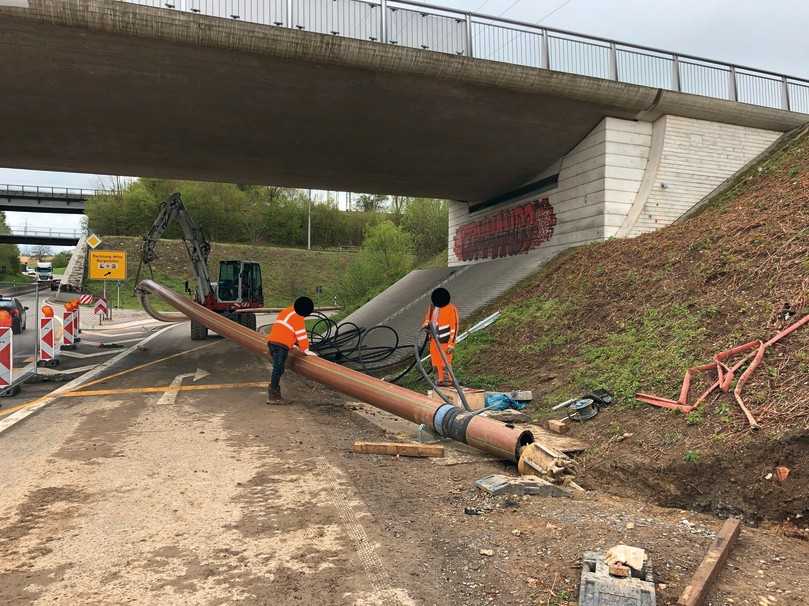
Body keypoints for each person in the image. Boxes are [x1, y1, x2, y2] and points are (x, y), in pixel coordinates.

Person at [266, 296, 317, 403]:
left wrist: (292, 344)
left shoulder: (286, 311)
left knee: (279, 369)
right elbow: (301, 334)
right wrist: (305, 350)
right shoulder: (297, 316)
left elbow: (286, 329)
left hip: (273, 342)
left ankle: (274, 394)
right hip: (280, 345)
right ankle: (273, 396)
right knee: (278, 369)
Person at [422, 288, 459, 386]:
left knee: (444, 363)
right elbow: (428, 318)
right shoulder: (432, 307)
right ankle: (440, 381)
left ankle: (448, 381)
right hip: (433, 340)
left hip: (444, 341)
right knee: (435, 362)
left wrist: (451, 344)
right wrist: (426, 324)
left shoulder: (451, 309)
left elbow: (454, 327)